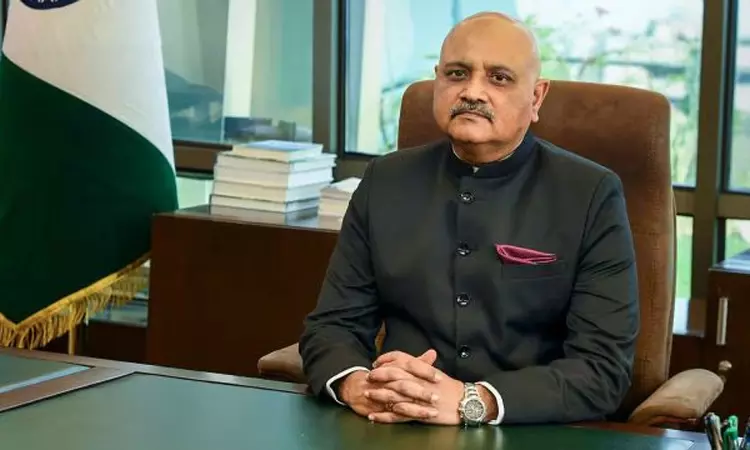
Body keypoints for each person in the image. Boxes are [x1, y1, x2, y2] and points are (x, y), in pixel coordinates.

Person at [299, 11, 639, 426]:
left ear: (536, 98)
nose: (472, 91)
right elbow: (332, 326)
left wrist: (472, 401)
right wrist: (359, 385)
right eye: (457, 74)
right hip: (396, 423)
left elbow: (603, 369)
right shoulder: (385, 180)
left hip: (529, 429)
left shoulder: (590, 194)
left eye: (499, 78)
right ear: (437, 81)